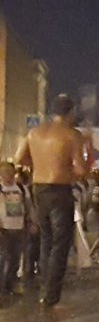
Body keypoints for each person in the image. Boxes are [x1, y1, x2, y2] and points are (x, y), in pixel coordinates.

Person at [13, 94, 87, 308]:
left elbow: (19, 159)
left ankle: (45, 289)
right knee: (60, 243)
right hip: (60, 189)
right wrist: (69, 171)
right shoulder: (72, 135)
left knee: (46, 240)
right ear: (71, 112)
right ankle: (52, 296)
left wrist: (38, 164)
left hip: (39, 188)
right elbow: (81, 169)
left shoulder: (34, 132)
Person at [0, 161, 33, 296]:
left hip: (19, 227)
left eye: (10, 172)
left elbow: (29, 206)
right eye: (4, 172)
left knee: (15, 258)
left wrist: (32, 222)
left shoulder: (21, 188)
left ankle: (9, 285)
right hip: (3, 229)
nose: (7, 175)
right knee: (3, 258)